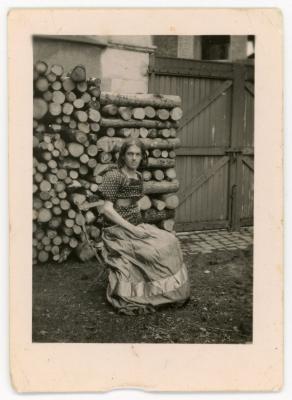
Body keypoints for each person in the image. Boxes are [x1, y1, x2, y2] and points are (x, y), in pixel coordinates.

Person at [97, 138, 190, 315]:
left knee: (170, 241)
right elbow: (106, 209)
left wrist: (138, 222)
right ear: (123, 156)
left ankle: (170, 291)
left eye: (137, 154)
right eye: (130, 154)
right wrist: (132, 229)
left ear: (142, 157)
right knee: (152, 252)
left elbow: (134, 202)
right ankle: (145, 293)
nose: (134, 158)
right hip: (116, 232)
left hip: (136, 226)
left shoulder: (138, 176)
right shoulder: (114, 176)